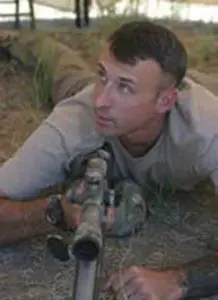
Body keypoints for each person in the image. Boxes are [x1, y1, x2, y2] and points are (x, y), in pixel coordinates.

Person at [1, 20, 218, 299]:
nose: (101, 100)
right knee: (64, 71)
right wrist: (53, 211)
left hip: (198, 92)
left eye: (124, 87)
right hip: (151, 88)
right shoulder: (80, 115)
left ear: (166, 101)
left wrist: (179, 281)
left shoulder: (208, 128)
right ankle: (12, 38)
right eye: (102, 75)